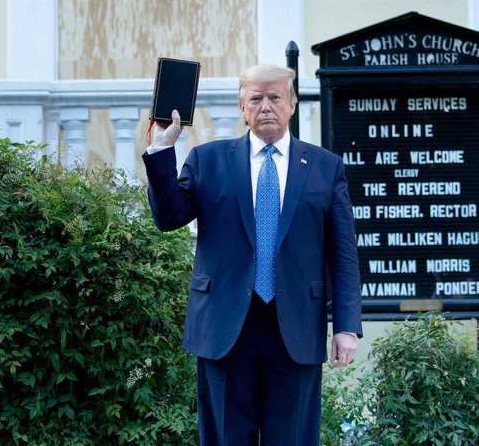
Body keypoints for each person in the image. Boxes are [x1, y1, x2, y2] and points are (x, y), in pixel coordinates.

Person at [142, 64, 362, 445]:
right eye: (255, 98)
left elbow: (343, 254)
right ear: (242, 107)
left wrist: (345, 325)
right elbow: (169, 218)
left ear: (292, 104)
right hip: (225, 327)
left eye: (275, 97)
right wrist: (163, 151)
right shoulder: (208, 160)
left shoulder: (326, 168)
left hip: (295, 328)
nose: (266, 106)